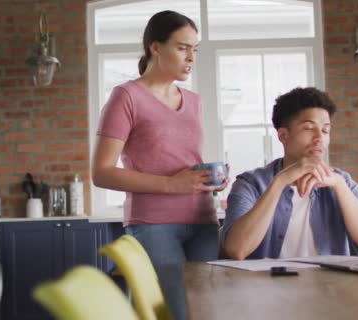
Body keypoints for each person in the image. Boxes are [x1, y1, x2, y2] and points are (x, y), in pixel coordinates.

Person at [92, 10, 228, 320]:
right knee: (179, 313)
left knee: (206, 312)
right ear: (155, 47)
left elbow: (182, 160)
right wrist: (171, 184)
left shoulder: (194, 101)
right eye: (182, 47)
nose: (191, 57)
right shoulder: (126, 96)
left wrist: (211, 179)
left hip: (203, 221)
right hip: (154, 224)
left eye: (195, 49)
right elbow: (101, 172)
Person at [222, 87, 358, 261]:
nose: (319, 137)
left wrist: (340, 187)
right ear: (283, 135)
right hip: (267, 285)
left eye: (325, 130)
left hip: (331, 286)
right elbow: (236, 250)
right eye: (309, 128)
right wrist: (280, 181)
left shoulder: (342, 181)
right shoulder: (250, 183)